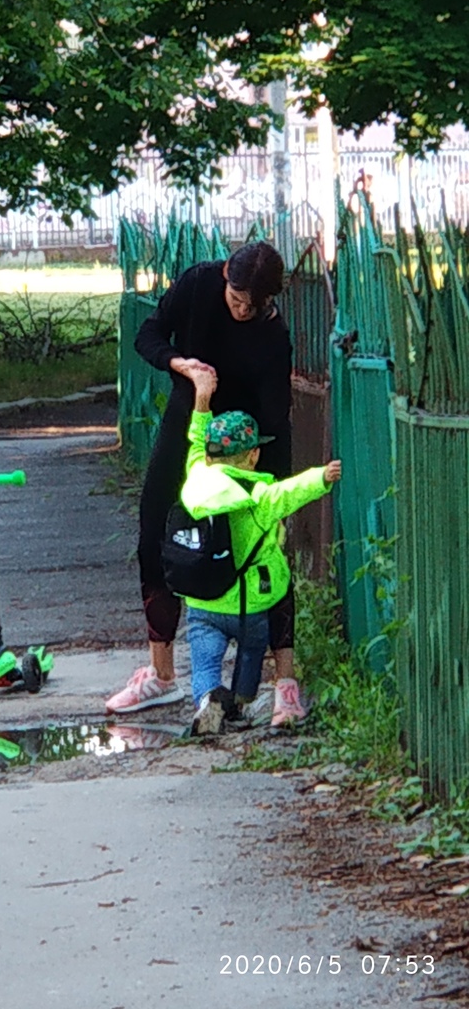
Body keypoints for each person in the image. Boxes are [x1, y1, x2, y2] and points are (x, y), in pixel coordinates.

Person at [106, 241, 303, 724]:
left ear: (268, 302)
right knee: (158, 532)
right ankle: (161, 673)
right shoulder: (198, 284)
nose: (240, 310)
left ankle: (285, 686)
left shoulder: (273, 334)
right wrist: (182, 365)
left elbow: (277, 410)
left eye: (250, 307)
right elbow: (148, 334)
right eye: (235, 299)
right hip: (187, 426)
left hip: (249, 445)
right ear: (224, 279)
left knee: (263, 549)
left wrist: (259, 470)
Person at [176, 366, 341, 734]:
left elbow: (196, 440)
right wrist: (322, 476)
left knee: (204, 662)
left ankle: (206, 701)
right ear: (251, 457)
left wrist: (202, 401)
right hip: (250, 603)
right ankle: (238, 704)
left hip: (202, 601)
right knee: (251, 652)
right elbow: (292, 491)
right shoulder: (259, 497)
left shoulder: (196, 475)